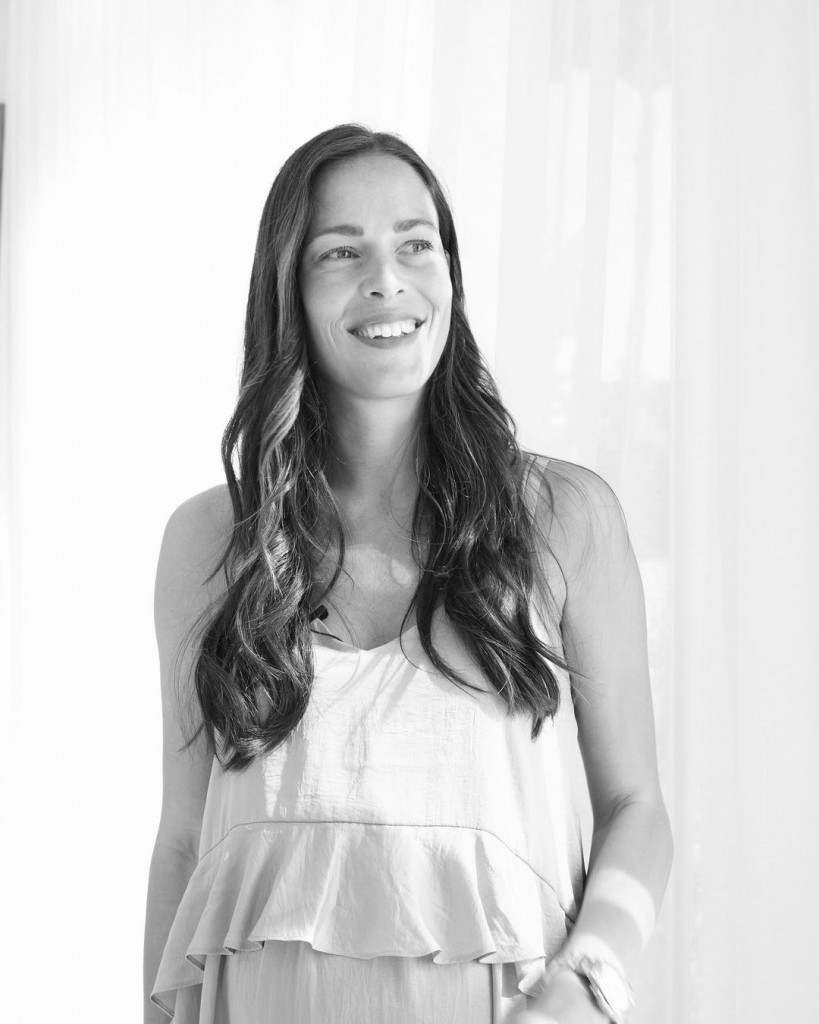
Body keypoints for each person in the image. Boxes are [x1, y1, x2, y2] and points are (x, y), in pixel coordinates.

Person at [143, 123, 673, 1024]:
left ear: (450, 276)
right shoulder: (210, 542)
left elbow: (636, 807)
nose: (386, 278)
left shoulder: (563, 518)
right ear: (288, 291)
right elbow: (183, 841)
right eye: (341, 251)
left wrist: (585, 987)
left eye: (415, 244)